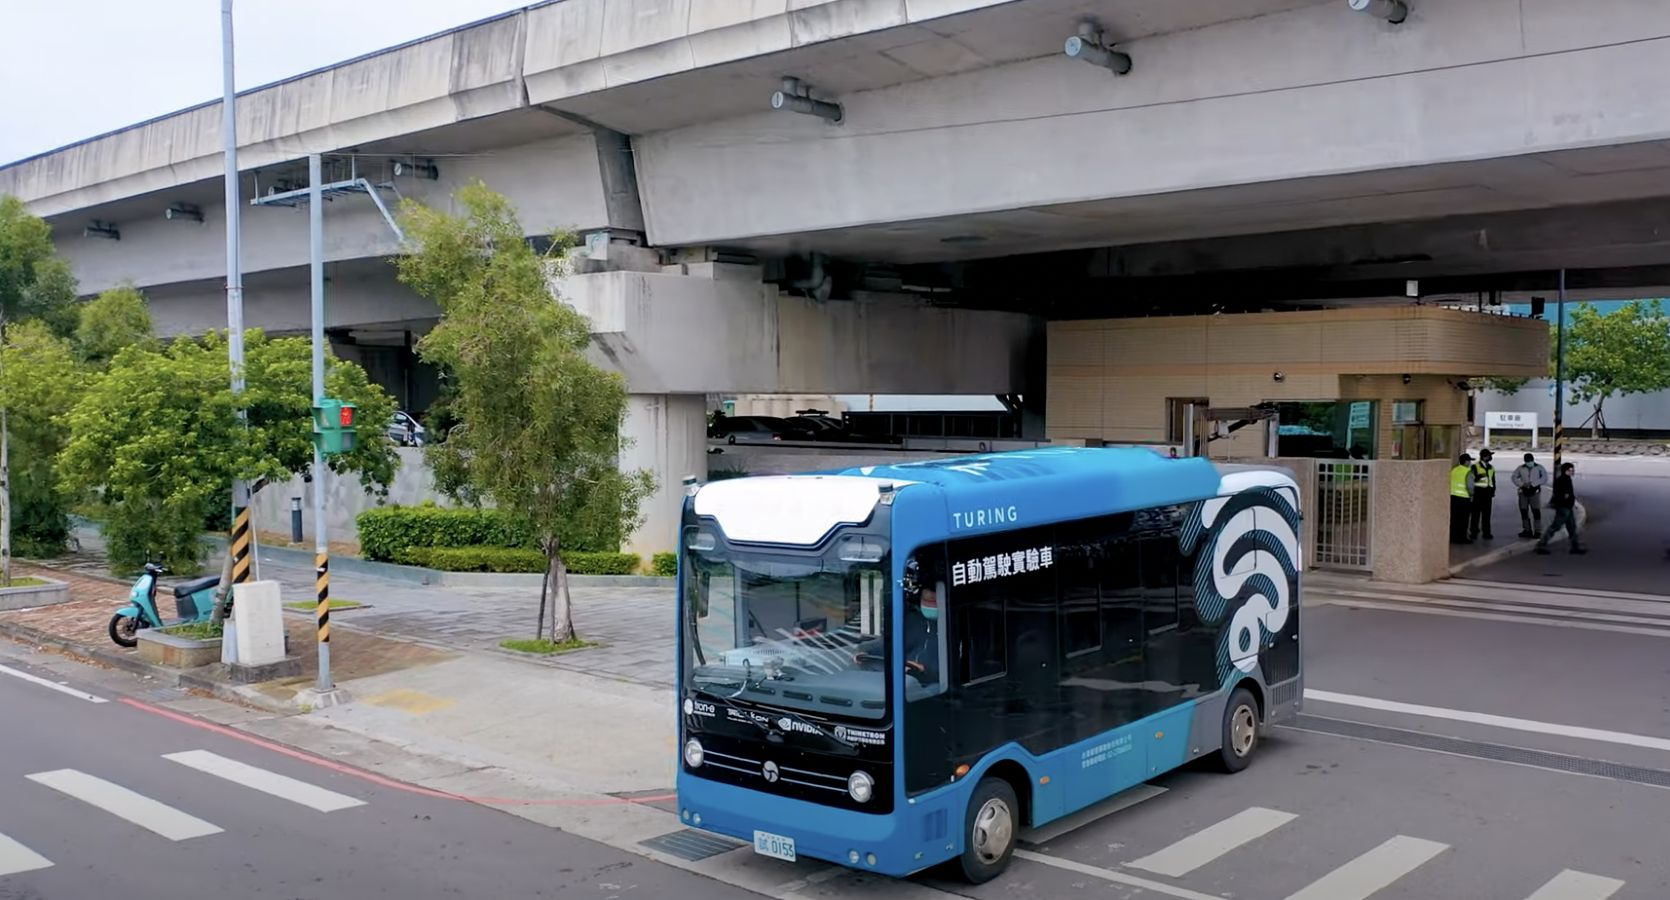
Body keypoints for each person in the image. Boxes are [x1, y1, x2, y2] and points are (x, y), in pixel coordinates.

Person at [1535, 461, 1586, 555]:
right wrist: (1566, 498)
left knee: (1572, 527)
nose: (1572, 471)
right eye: (1570, 470)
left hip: (1568, 507)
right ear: (1565, 471)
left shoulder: (1566, 479)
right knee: (1555, 526)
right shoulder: (1563, 480)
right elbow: (1563, 494)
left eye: (1572, 469)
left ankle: (1575, 547)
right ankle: (1540, 545)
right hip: (1563, 507)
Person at [1511, 452, 1549, 538]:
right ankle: (1527, 529)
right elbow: (1514, 477)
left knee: (1536, 511)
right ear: (1525, 461)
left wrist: (1533, 484)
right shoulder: (1521, 468)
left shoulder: (1539, 468)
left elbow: (1544, 478)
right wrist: (1522, 484)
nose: (1529, 462)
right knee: (1524, 511)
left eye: (1530, 461)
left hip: (1534, 492)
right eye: (1527, 461)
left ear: (1533, 460)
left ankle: (1538, 531)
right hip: (1523, 492)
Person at [1469, 448, 1498, 541]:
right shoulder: (1475, 466)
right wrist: (1478, 477)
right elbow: (1471, 479)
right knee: (1475, 514)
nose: (1490, 457)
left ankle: (1486, 532)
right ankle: (1473, 532)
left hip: (1488, 493)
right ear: (1485, 457)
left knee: (1487, 514)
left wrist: (1493, 490)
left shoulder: (1491, 467)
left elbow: (1493, 480)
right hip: (1478, 493)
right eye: (1489, 456)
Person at [1449, 452, 1474, 544]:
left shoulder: (1454, 470)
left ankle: (1453, 537)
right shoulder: (1468, 471)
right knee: (1464, 520)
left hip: (1453, 497)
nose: (1470, 463)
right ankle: (1462, 538)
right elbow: (1470, 486)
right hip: (1464, 498)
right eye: (1469, 461)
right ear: (1466, 462)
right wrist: (1472, 495)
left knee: (1454, 519)